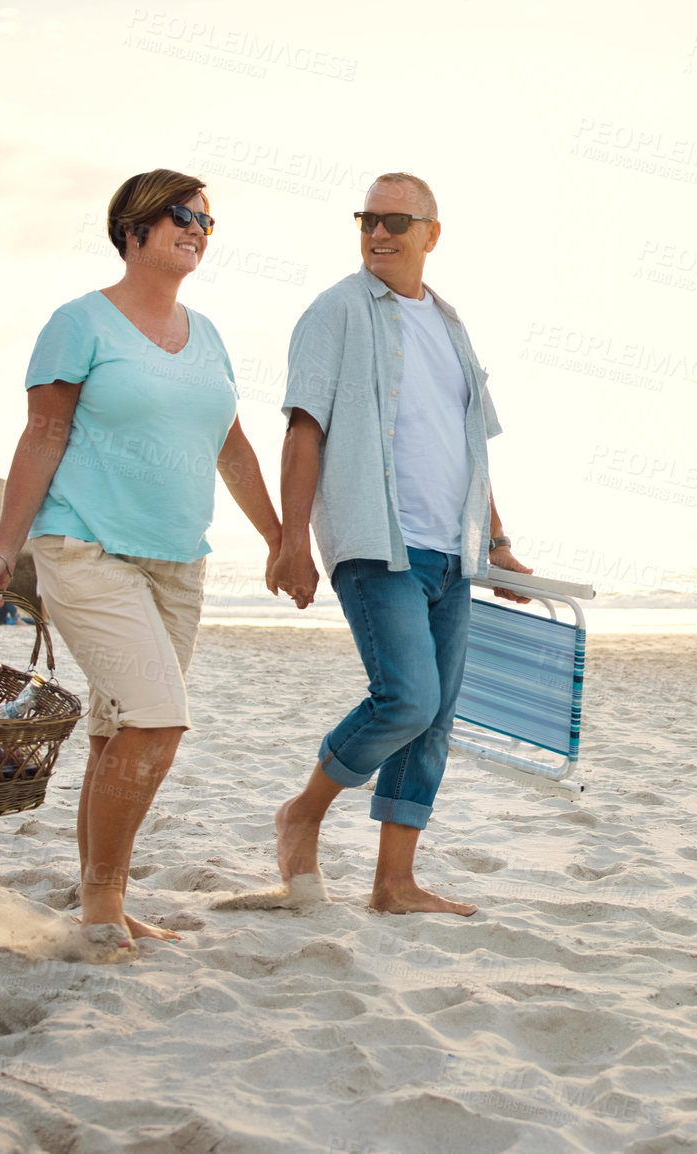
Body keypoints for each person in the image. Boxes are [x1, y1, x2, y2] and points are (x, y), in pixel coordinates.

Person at [0, 168, 282, 958]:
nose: (197, 229)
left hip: (179, 563)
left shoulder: (205, 335)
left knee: (118, 734)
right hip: (86, 547)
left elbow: (231, 449)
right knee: (159, 722)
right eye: (180, 215)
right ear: (131, 227)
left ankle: (102, 902)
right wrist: (5, 548)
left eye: (207, 220)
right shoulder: (80, 323)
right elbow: (43, 434)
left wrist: (280, 539)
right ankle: (101, 910)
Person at [269, 172, 530, 916]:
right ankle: (303, 813)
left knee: (435, 719)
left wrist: (499, 543)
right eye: (366, 220)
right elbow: (302, 429)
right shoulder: (335, 313)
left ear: (430, 234)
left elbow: (470, 447)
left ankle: (393, 883)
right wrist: (292, 542)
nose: (378, 234)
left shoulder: (451, 326)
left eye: (395, 221)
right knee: (406, 700)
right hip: (377, 543)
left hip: (452, 554)